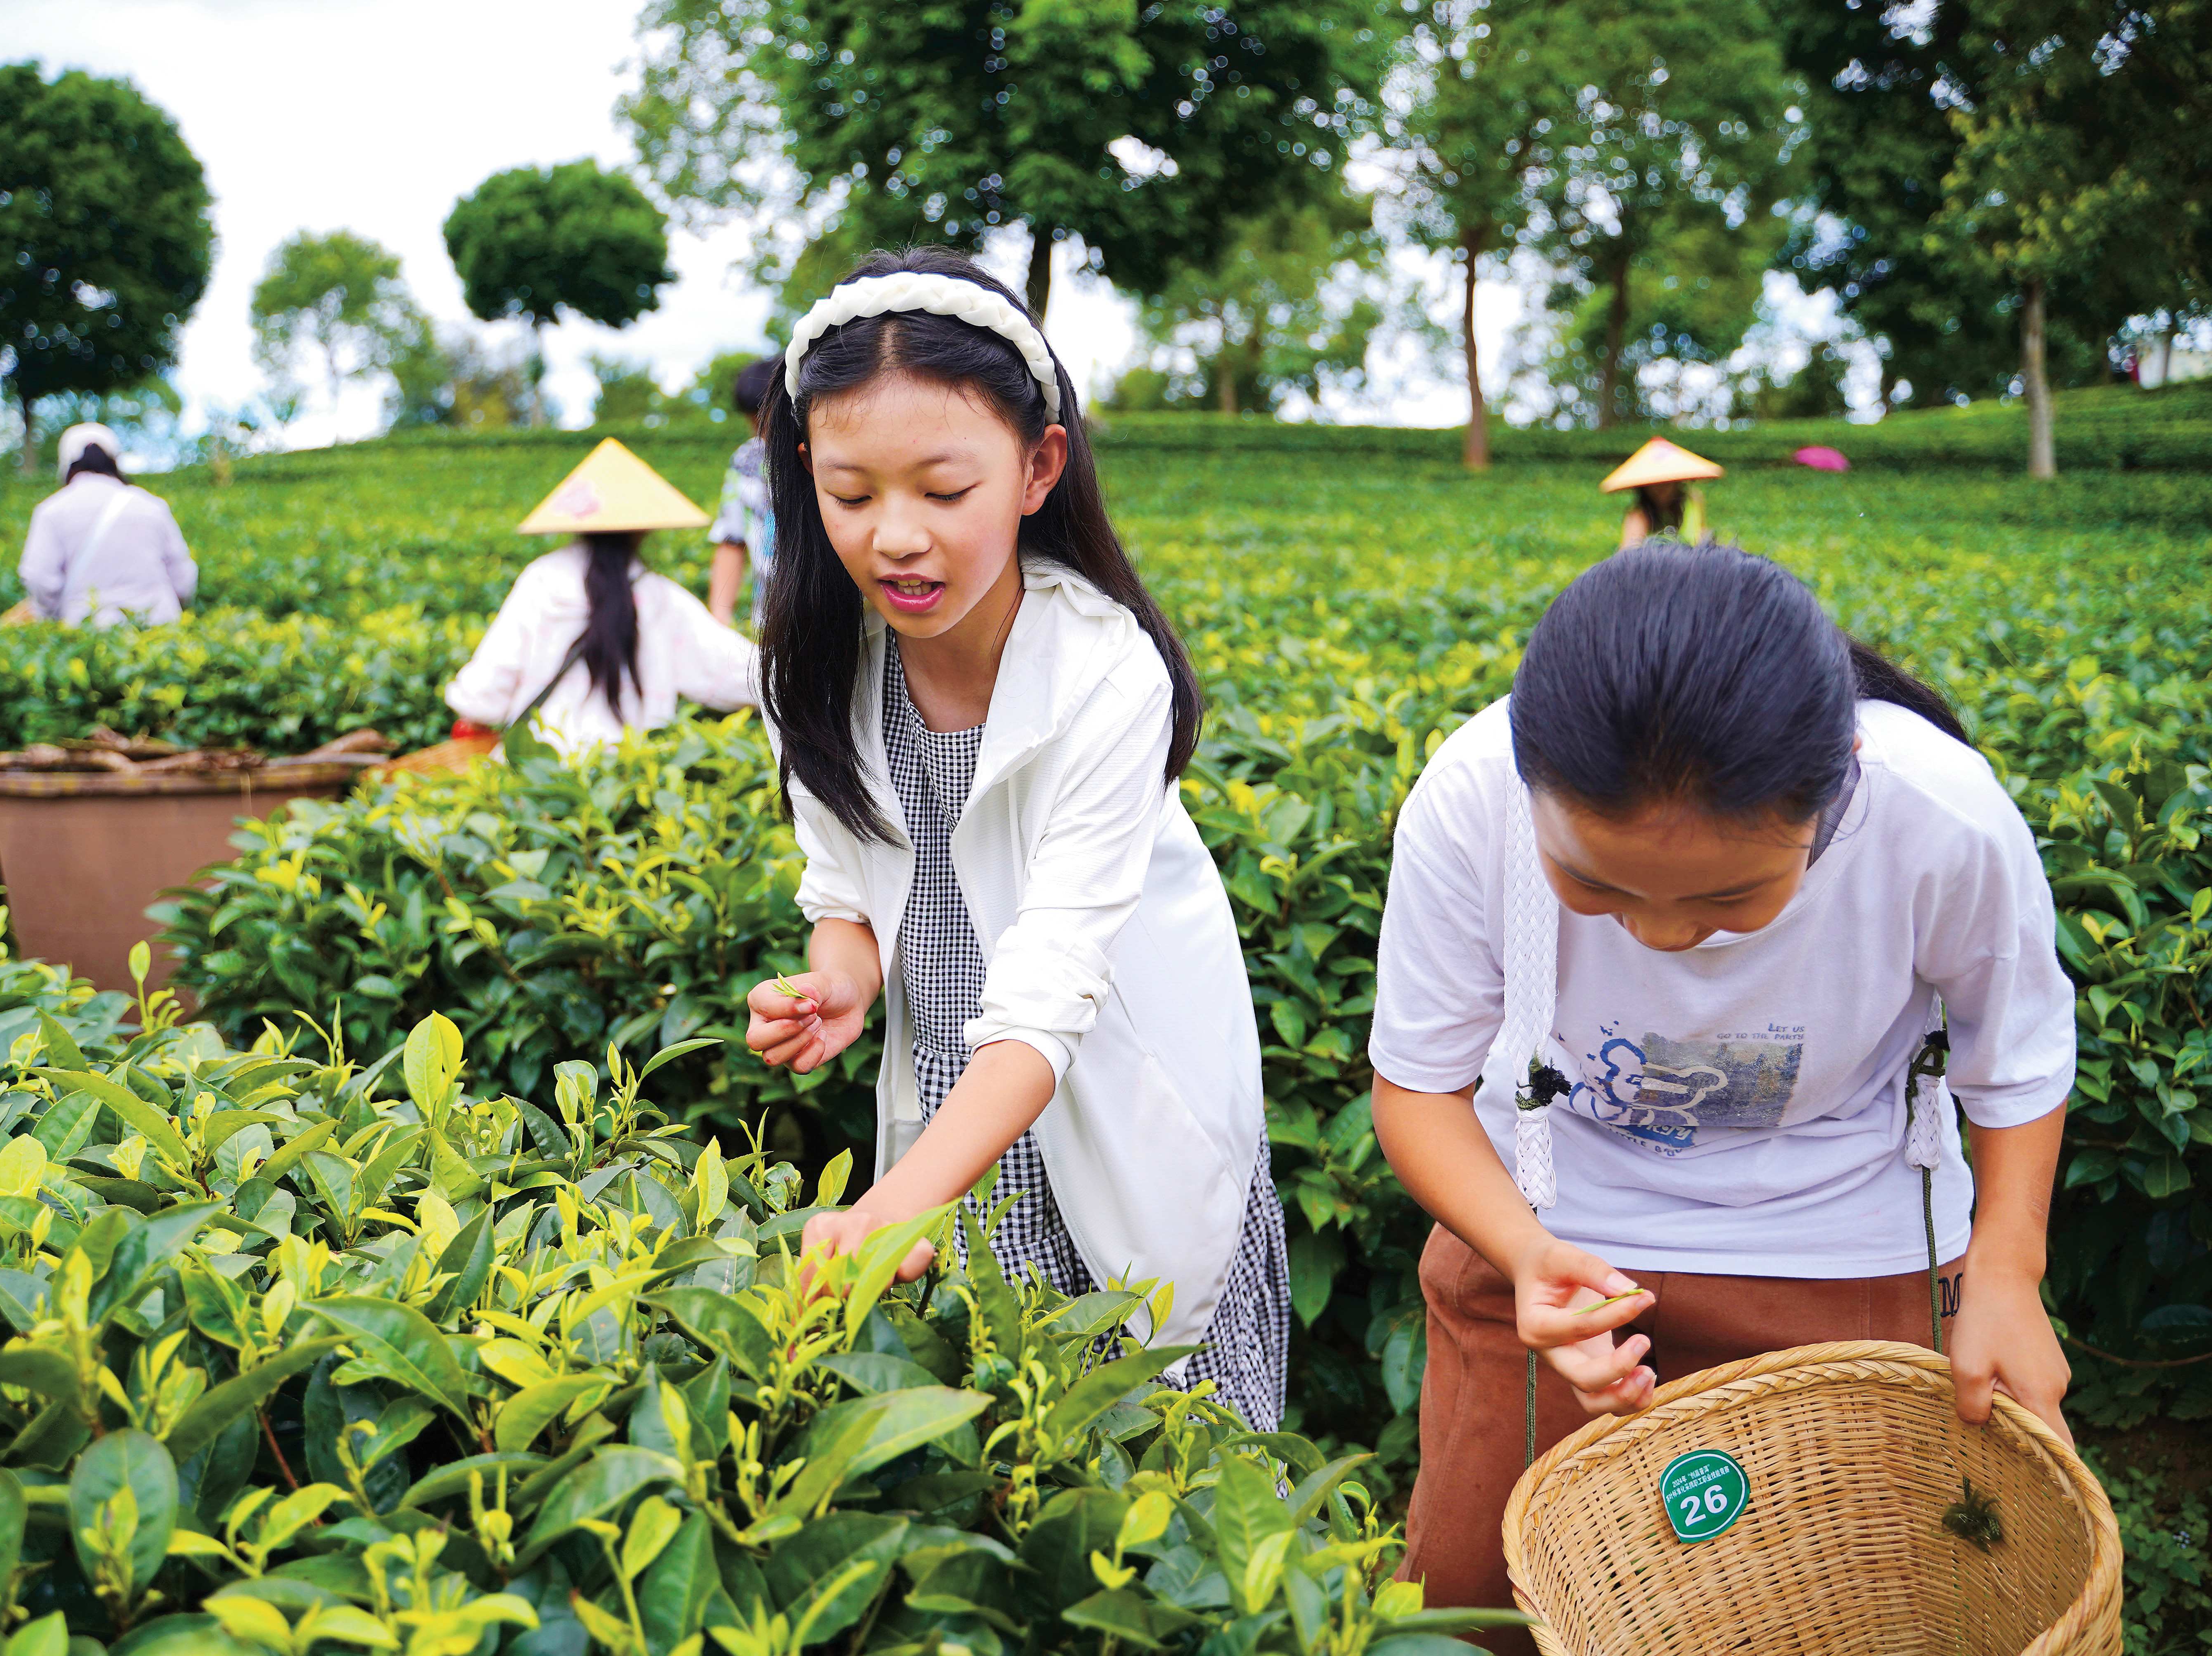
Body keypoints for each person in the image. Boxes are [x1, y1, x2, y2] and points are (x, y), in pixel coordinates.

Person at [1367, 540, 2075, 1652]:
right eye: (1595, 884)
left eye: (1732, 897)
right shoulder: (1472, 800)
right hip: (1554, 1239)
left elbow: (2019, 1055)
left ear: (1836, 774)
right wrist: (1520, 1255)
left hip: (1841, 1248)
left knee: (1850, 1608)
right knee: (1471, 1603)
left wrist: (2007, 1276)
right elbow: (1419, 1091)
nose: (1659, 933)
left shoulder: (1936, 813)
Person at [740, 246, 1289, 1428]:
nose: (896, 537)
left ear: (1039, 468)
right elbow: (846, 883)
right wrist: (839, 982)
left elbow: (1046, 998)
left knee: (1165, 1454)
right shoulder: (817, 673)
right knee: (1003, 1472)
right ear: (804, 472)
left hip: (1101, 1092)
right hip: (953, 1108)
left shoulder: (1102, 673)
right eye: (852, 494)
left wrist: (892, 1210)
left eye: (944, 493)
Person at [443, 437, 757, 757]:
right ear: (645, 529)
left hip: (535, 777)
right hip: (621, 781)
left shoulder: (542, 581)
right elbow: (745, 676)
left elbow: (484, 693)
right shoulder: (659, 597)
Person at [18, 423, 197, 626]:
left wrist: (51, 614)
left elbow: (39, 578)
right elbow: (184, 579)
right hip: (161, 633)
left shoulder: (51, 511)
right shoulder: (152, 506)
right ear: (114, 460)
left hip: (89, 638)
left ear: (66, 464)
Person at [706, 359, 779, 625]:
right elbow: (731, 538)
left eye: (766, 417)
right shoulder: (747, 459)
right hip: (770, 620)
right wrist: (719, 619)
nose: (762, 429)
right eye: (754, 420)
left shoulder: (826, 456)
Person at [1601, 435, 1720, 548]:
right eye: (1654, 485)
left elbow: (1702, 534)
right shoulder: (1638, 515)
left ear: (1676, 482)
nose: (1661, 490)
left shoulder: (1693, 500)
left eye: (1666, 484)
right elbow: (1628, 551)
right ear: (1644, 487)